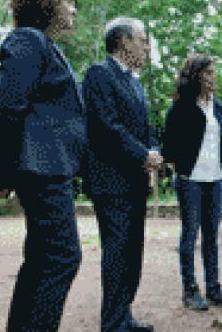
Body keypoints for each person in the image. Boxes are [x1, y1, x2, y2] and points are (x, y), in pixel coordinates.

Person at [0, 0, 86, 331]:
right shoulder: (28, 41)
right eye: (66, 1)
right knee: (62, 258)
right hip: (42, 171)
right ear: (46, 6)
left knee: (41, 259)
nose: (72, 9)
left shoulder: (45, 46)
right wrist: (3, 173)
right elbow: (9, 110)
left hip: (51, 169)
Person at [82, 17, 162, 332]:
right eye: (143, 40)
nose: (147, 46)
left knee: (132, 251)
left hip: (135, 181)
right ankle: (113, 323)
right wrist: (143, 154)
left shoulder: (136, 81)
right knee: (116, 253)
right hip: (111, 182)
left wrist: (153, 150)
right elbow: (106, 126)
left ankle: (123, 316)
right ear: (124, 41)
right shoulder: (99, 75)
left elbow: (146, 127)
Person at [162, 54, 222, 311]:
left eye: (213, 73)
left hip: (215, 179)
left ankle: (214, 289)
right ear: (196, 76)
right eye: (208, 73)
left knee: (211, 237)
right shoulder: (181, 106)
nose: (213, 78)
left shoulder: (219, 106)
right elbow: (168, 145)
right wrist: (181, 167)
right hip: (190, 180)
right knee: (190, 235)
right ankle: (190, 290)